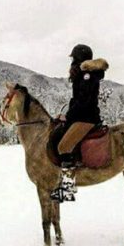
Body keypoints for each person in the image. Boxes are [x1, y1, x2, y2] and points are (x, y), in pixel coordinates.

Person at [50, 44, 109, 202]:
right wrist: (66, 115)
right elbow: (76, 99)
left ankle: (68, 189)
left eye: (74, 59)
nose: (71, 63)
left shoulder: (87, 75)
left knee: (63, 146)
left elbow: (84, 102)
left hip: (86, 118)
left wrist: (68, 117)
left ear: (79, 59)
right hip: (80, 116)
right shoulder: (82, 74)